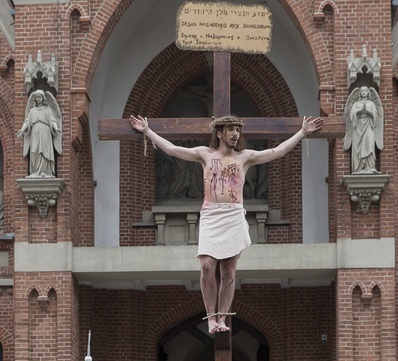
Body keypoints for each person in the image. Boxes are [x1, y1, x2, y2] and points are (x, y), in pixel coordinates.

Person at [130, 114, 324, 334]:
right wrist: (147, 131)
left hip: (233, 215)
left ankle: (221, 318)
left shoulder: (245, 157)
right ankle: (211, 317)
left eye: (237, 130)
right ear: (220, 133)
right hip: (211, 215)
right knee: (206, 266)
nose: (235, 134)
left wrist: (302, 132)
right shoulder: (205, 154)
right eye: (231, 130)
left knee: (229, 270)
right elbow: (173, 149)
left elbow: (277, 152)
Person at [17, 89, 63, 178]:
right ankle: (35, 171)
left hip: (45, 132)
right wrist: (22, 130)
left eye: (40, 97)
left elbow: (52, 120)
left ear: (43, 98)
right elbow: (27, 121)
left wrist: (56, 128)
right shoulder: (32, 110)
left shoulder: (48, 110)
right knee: (35, 150)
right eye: (37, 97)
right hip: (35, 132)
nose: (38, 99)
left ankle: (45, 172)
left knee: (44, 150)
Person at [343, 85, 383, 174]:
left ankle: (370, 167)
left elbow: (376, 115)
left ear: (368, 92)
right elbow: (351, 114)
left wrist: (368, 112)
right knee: (358, 146)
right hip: (358, 126)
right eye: (362, 91)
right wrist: (359, 111)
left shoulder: (371, 103)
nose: (363, 92)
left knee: (370, 144)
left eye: (365, 91)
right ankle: (359, 168)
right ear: (360, 93)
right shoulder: (356, 104)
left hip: (368, 125)